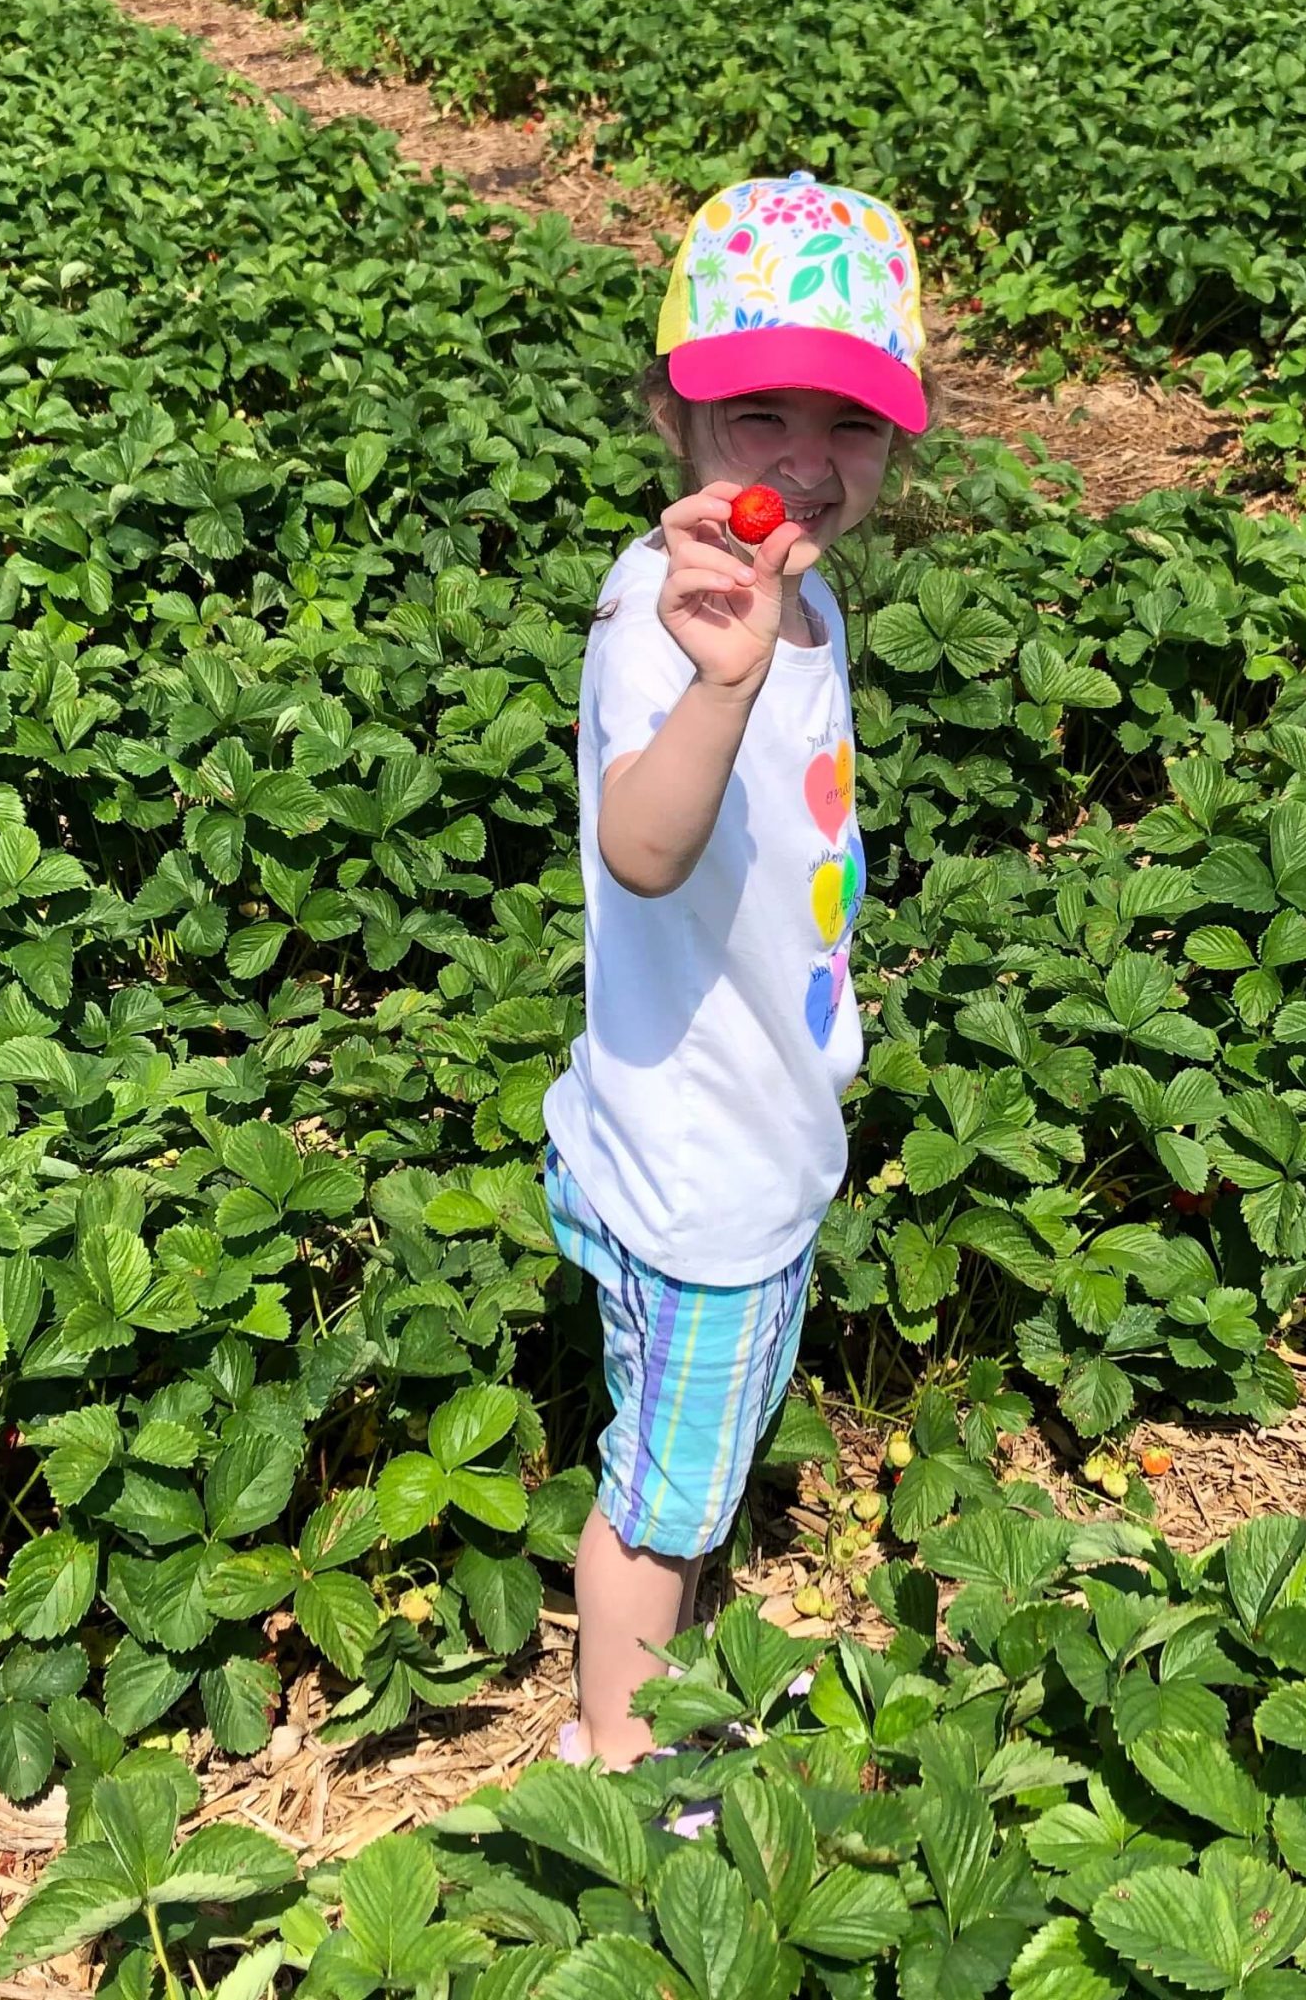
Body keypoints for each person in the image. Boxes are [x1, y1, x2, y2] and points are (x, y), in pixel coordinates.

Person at [542, 172, 930, 1770]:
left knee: (688, 1456)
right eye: (756, 410)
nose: (804, 460)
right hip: (701, 1180)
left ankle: (662, 1684)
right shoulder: (680, 630)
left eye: (849, 423)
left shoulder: (794, 598)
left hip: (748, 1119)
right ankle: (623, 1767)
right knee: (660, 1509)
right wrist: (720, 683)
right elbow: (645, 842)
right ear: (670, 414)